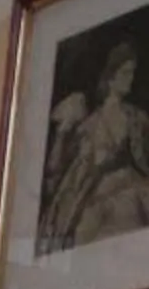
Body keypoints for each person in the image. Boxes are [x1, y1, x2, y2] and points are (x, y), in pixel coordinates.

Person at [36, 37, 149, 254]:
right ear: (111, 77)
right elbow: (63, 173)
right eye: (126, 73)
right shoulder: (89, 125)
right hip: (97, 195)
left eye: (132, 73)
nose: (130, 79)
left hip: (131, 189)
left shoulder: (137, 118)